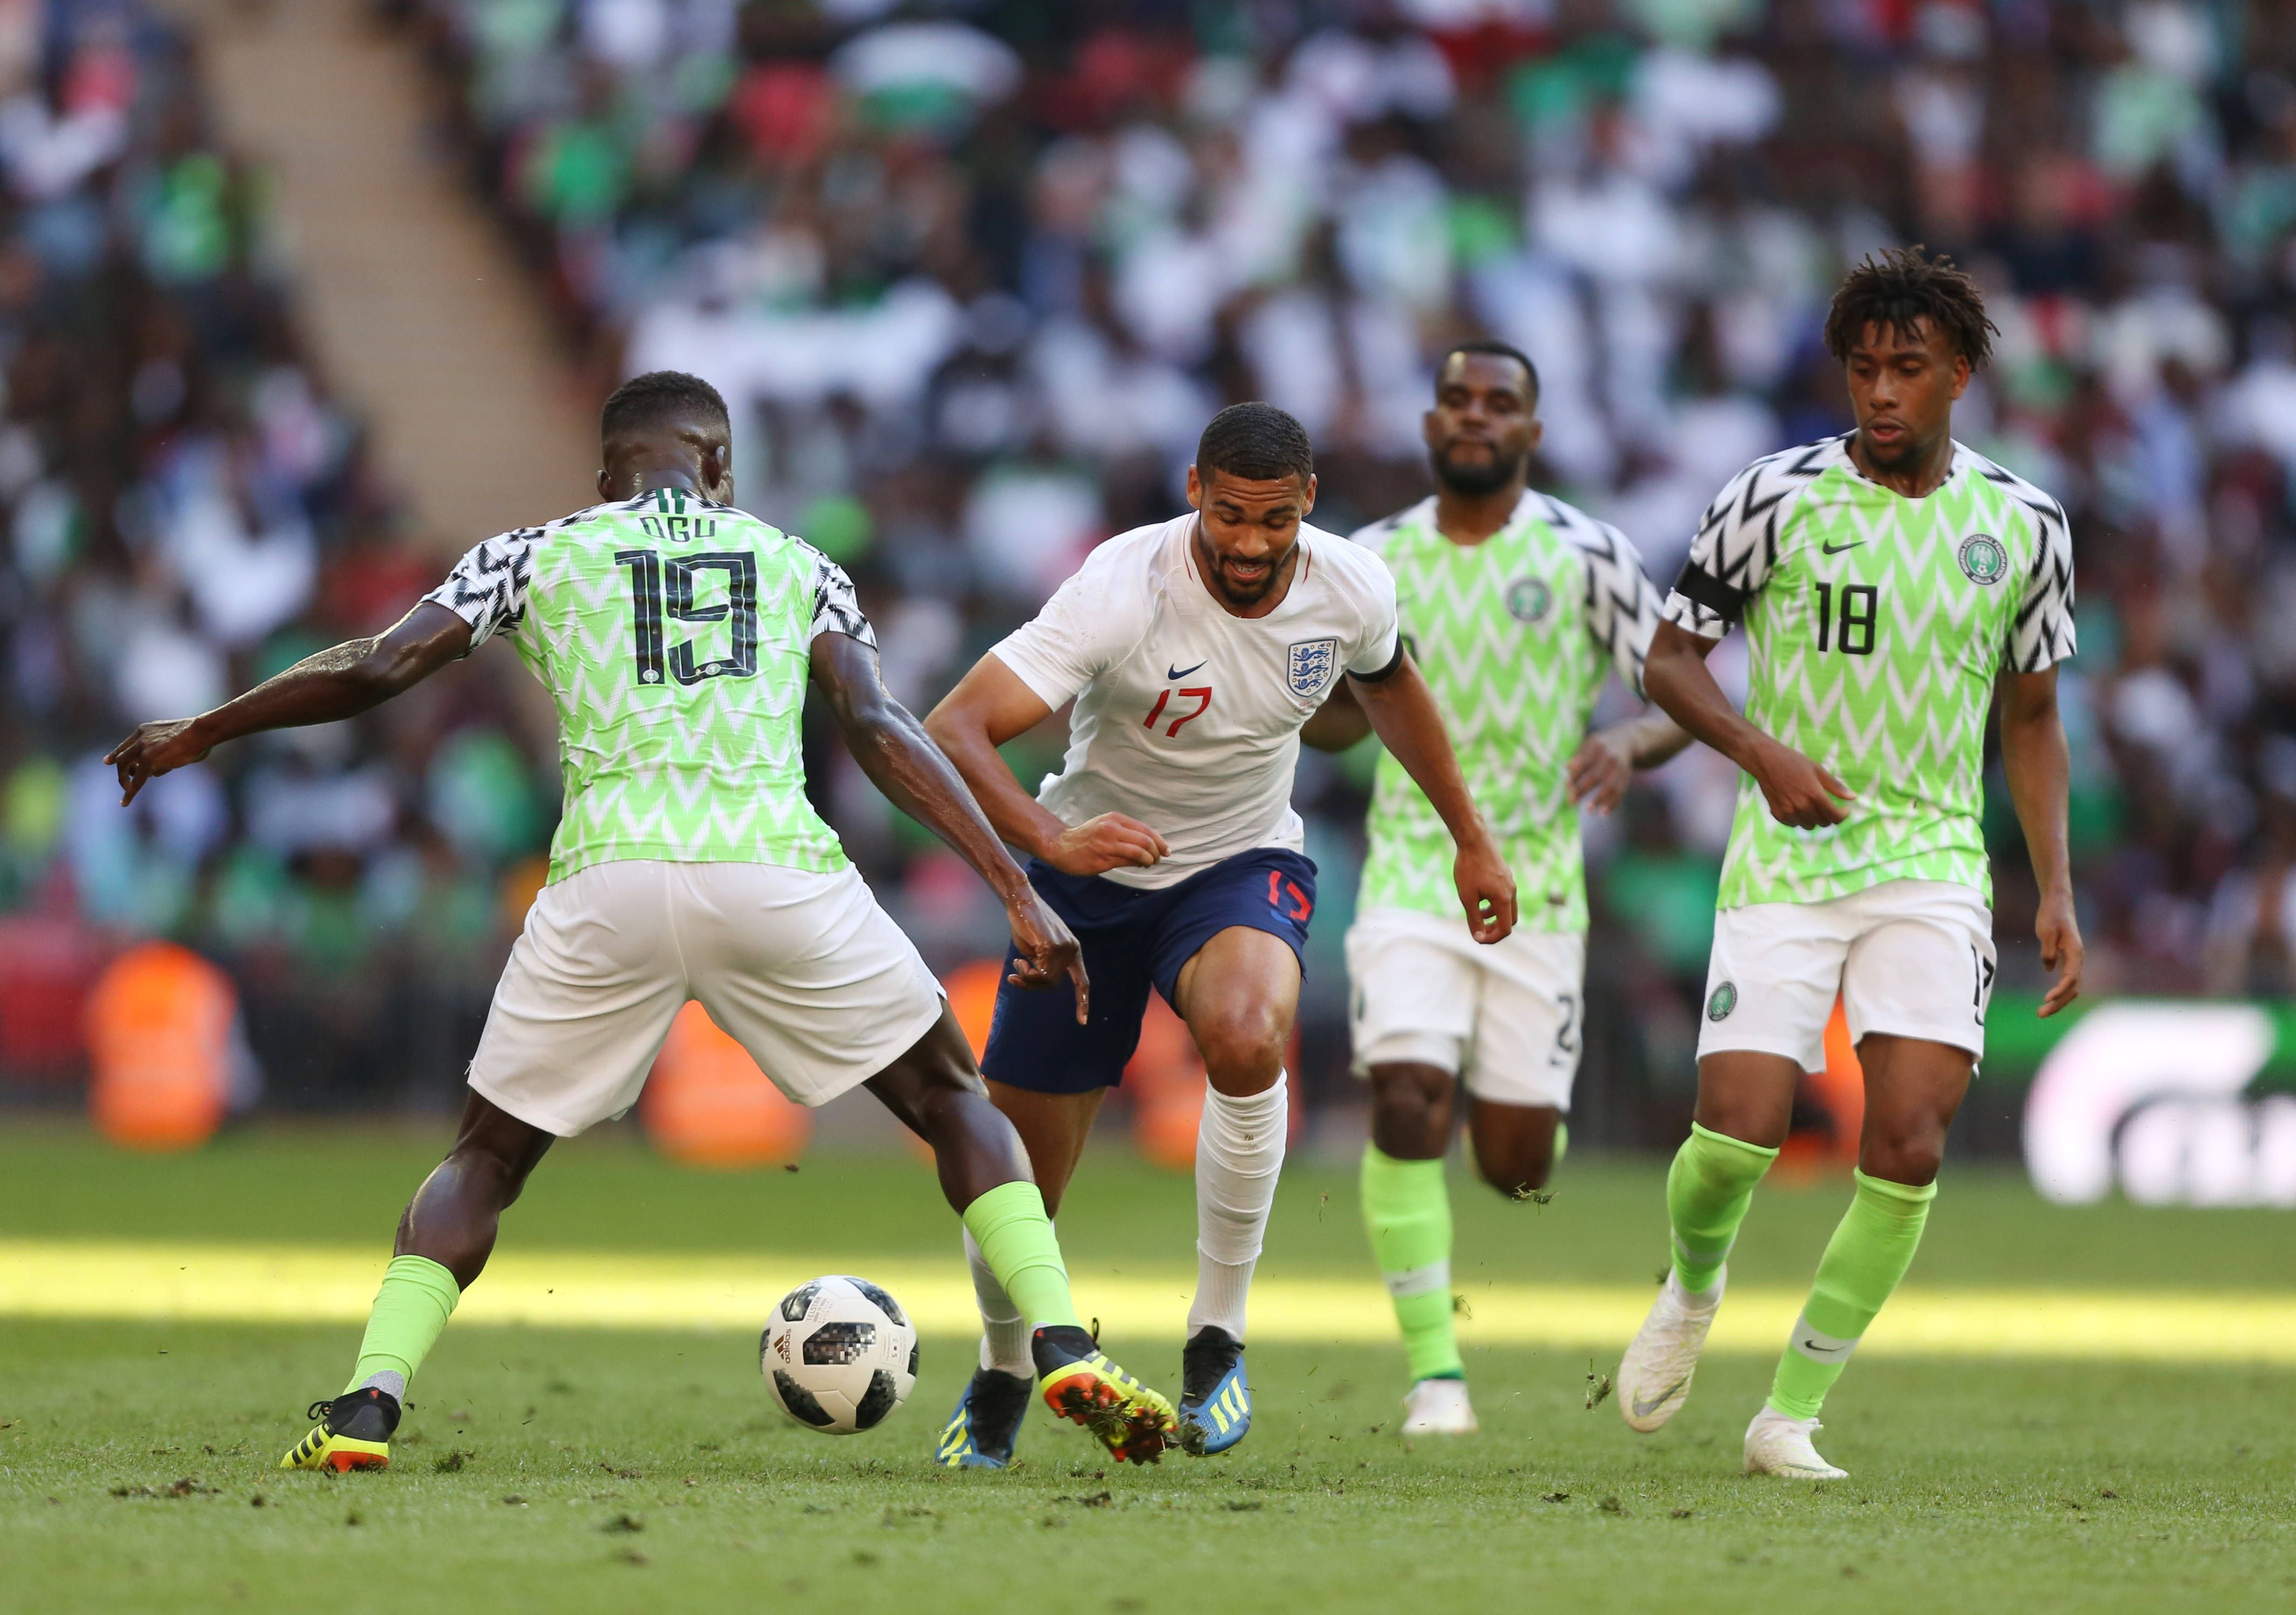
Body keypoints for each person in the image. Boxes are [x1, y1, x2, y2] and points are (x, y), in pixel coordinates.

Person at [105, 371, 1180, 1473]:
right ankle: (1051, 1335)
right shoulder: (798, 561)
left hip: (606, 879)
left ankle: (368, 1400)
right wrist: (1011, 881)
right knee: (953, 1099)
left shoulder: (530, 551)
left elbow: (380, 665)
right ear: (720, 468)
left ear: (606, 471)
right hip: (775, 869)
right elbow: (874, 720)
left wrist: (207, 726)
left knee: (487, 1156)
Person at [923, 402, 1515, 1465]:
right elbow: (953, 727)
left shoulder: (1351, 586)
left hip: (1240, 861)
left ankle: (1217, 1338)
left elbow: (1394, 693)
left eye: (1273, 522)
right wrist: (1050, 838)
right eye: (1230, 516)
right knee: (1018, 1174)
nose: (1249, 544)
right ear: (1195, 488)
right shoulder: (1122, 584)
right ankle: (1005, 1362)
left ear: (1309, 506)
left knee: (1248, 1034)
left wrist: (1471, 837)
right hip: (1092, 876)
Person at [1618, 248, 2083, 1479]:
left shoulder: (2023, 523)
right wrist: (1758, 751)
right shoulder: (1770, 496)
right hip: (1786, 851)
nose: (1880, 392)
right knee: (1739, 1133)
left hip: (1931, 859)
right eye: (1863, 368)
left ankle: (1789, 1413)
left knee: (1913, 1137)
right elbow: (1669, 661)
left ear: (1961, 376)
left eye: (1907, 369)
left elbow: (2031, 718)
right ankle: (1693, 1284)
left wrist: (2057, 889)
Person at [1301, 341, 1687, 1436]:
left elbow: (1680, 690)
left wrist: (1629, 737)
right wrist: (1316, 699)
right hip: (1414, 869)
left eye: (1498, 404)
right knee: (1406, 1096)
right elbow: (1330, 719)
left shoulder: (1588, 552)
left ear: (1533, 431)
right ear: (1428, 423)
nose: (1474, 417)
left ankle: (1517, 1121)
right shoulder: (1367, 560)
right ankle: (1436, 1377)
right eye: (1456, 400)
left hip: (1540, 887)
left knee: (1513, 1163)